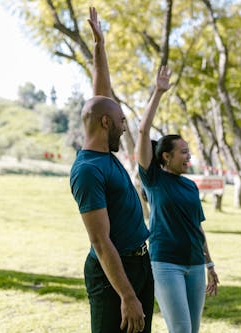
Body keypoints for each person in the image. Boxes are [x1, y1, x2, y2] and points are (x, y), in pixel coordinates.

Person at [70, 7, 154, 333]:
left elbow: (102, 94)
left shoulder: (104, 152)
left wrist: (99, 46)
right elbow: (101, 241)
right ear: (106, 123)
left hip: (139, 263)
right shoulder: (88, 171)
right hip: (115, 279)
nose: (123, 127)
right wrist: (127, 295)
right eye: (120, 122)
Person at [136, 66, 219, 333]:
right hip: (165, 263)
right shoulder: (154, 180)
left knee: (192, 331)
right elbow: (142, 131)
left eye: (189, 152)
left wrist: (209, 264)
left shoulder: (190, 187)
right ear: (165, 156)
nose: (188, 157)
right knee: (181, 330)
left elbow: (198, 228)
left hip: (195, 263)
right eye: (183, 152)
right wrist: (158, 92)